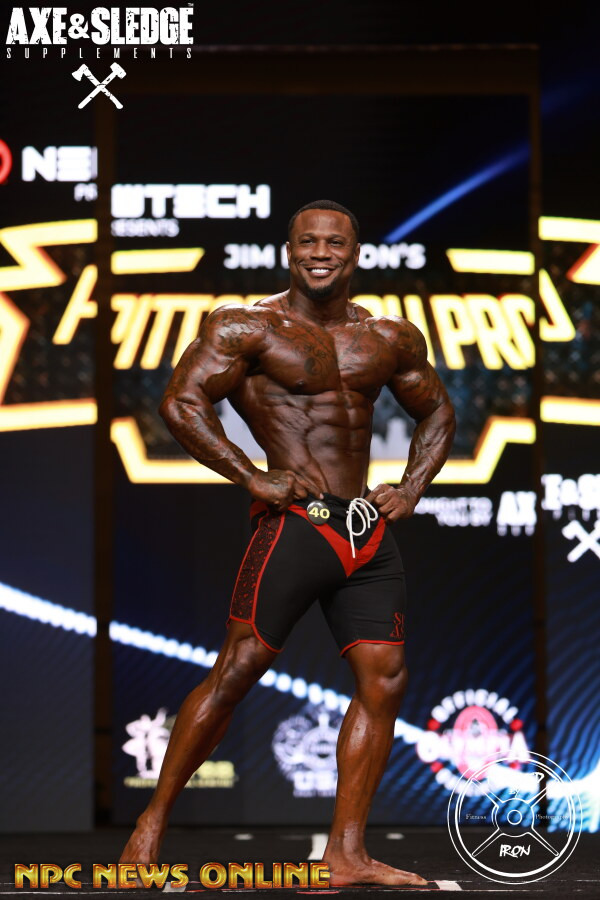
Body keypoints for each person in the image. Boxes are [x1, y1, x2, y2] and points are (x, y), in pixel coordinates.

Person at [120, 199, 455, 886]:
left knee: (386, 680)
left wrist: (411, 487)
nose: (320, 253)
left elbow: (438, 411)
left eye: (334, 243)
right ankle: (148, 830)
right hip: (296, 525)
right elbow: (181, 402)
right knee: (238, 669)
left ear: (355, 254)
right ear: (289, 250)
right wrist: (250, 474)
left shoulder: (389, 336)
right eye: (308, 242)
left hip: (365, 531)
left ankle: (346, 854)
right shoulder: (246, 326)